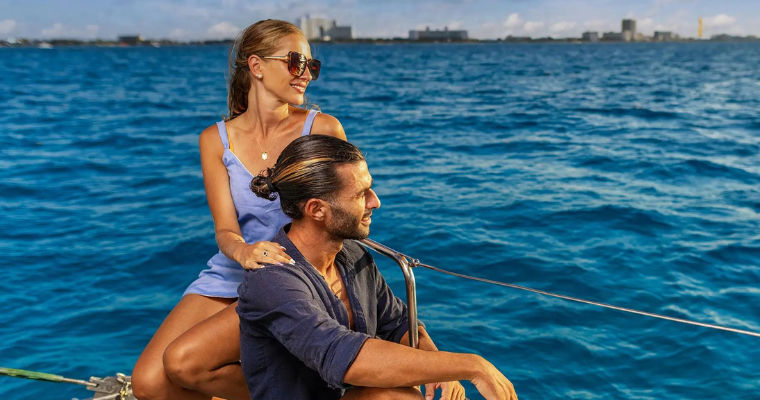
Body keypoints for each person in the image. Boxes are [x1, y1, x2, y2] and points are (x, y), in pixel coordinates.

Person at [132, 19, 346, 400]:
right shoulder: (214, 140)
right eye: (296, 62)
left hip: (292, 276)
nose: (306, 75)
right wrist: (244, 251)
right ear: (257, 66)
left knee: (184, 365)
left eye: (312, 66)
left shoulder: (323, 130)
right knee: (149, 382)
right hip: (232, 270)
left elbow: (344, 215)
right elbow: (226, 230)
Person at [238, 135, 518, 400]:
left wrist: (439, 370)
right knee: (397, 396)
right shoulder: (272, 279)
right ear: (316, 209)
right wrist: (471, 365)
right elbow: (340, 355)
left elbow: (396, 324)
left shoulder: (352, 254)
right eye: (361, 194)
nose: (375, 201)